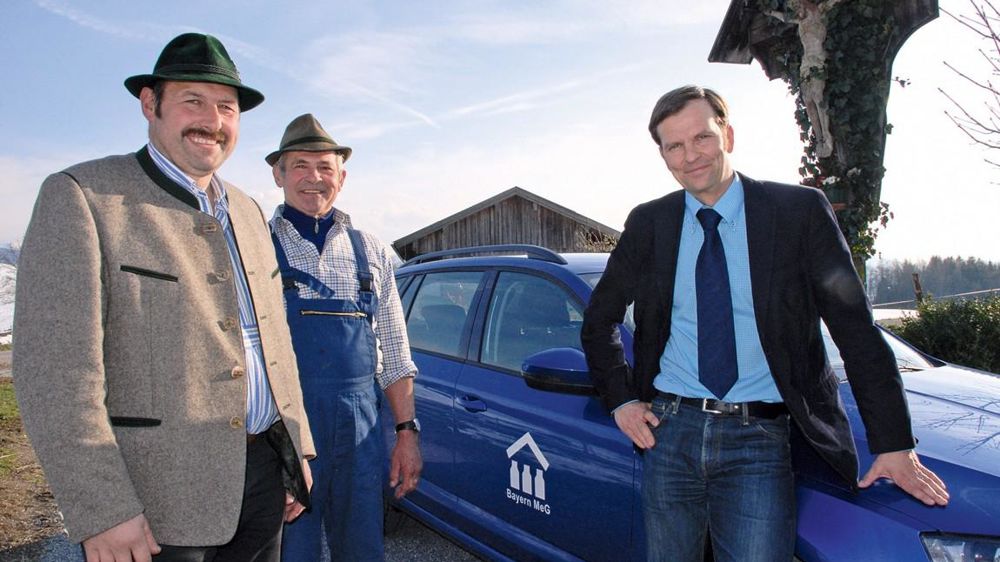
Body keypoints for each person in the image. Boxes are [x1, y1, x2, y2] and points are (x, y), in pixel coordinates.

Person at [580, 85, 949, 561]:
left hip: (759, 440)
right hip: (669, 434)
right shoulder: (650, 223)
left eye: (702, 138)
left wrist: (894, 443)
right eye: (674, 146)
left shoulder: (797, 213)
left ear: (727, 135)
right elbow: (599, 320)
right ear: (663, 155)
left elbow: (855, 330)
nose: (690, 156)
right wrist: (622, 400)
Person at [12, 33, 315, 562]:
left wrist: (296, 450)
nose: (213, 121)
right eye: (192, 101)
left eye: (226, 107)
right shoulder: (84, 198)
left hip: (263, 479)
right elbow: (55, 374)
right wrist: (102, 509)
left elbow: (274, 339)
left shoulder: (246, 210)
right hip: (157, 501)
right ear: (150, 105)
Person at [266, 114, 422, 561]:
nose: (313, 178)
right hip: (287, 431)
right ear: (277, 173)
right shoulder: (255, 246)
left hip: (361, 431)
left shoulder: (370, 250)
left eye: (325, 168)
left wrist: (407, 433)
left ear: (342, 177)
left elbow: (394, 352)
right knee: (290, 551)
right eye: (299, 166)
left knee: (363, 549)